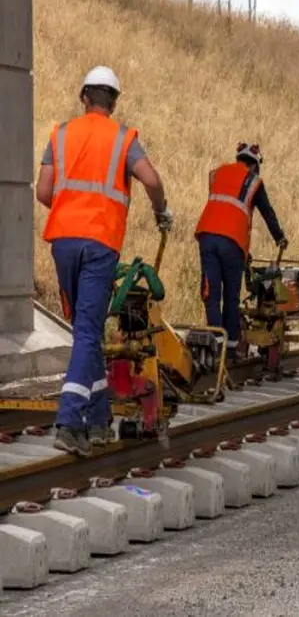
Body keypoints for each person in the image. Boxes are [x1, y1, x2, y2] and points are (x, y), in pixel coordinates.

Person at [35, 65, 173, 457]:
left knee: (87, 331)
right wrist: (161, 211)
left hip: (63, 240)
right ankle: (68, 419)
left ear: (84, 98)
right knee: (87, 332)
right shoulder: (124, 139)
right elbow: (151, 179)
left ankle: (97, 424)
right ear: (113, 102)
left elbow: (44, 190)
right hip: (99, 243)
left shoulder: (60, 136)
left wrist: (68, 207)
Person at [194, 142, 288, 362]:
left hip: (207, 236)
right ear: (255, 166)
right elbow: (267, 211)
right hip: (232, 241)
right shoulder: (253, 181)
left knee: (211, 292)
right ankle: (232, 350)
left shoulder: (217, 173)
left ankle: (215, 347)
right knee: (231, 296)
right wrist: (279, 237)